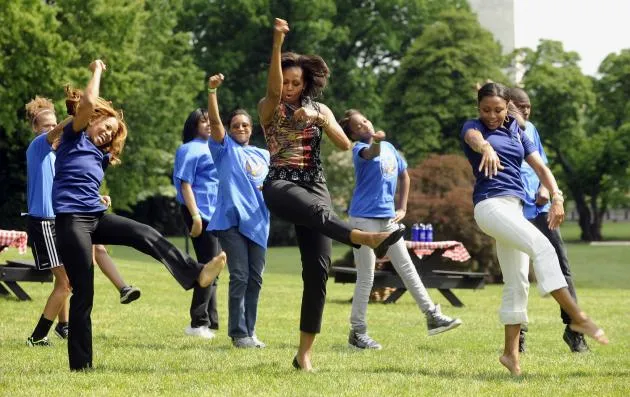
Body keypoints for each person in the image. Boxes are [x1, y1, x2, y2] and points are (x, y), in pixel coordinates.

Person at [49, 59, 226, 370]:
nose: (106, 133)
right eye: (105, 126)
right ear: (92, 120)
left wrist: (99, 197)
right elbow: (89, 102)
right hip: (71, 221)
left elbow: (81, 181)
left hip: (94, 216)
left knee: (144, 233)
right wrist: (99, 70)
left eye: (112, 132)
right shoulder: (74, 137)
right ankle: (81, 364)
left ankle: (195, 273)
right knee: (84, 290)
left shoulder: (99, 156)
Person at [257, 18, 406, 371]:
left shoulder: (320, 109)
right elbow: (275, 90)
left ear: (306, 82)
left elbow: (344, 143)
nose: (290, 87)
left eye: (297, 82)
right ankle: (364, 238)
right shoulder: (270, 105)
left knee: (318, 271)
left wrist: (320, 119)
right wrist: (277, 44)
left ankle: (303, 355)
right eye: (286, 80)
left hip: (315, 184)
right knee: (320, 216)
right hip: (280, 183)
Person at [460, 82, 607, 375]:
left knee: (518, 282)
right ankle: (577, 317)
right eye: (485, 109)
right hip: (490, 206)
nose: (491, 115)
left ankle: (510, 355)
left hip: (514, 209)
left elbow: (541, 168)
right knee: (543, 247)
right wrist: (485, 146)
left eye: (498, 109)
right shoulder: (473, 127)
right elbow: (473, 137)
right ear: (478, 109)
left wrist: (557, 197)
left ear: (507, 107)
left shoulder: (518, 131)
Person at [339, 109, 462, 350]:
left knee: (407, 269)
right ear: (353, 134)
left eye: (365, 120)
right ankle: (358, 333)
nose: (364, 125)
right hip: (363, 220)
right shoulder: (358, 149)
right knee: (367, 277)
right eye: (358, 125)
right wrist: (378, 140)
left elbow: (405, 176)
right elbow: (371, 152)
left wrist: (403, 208)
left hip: (388, 219)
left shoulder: (391, 148)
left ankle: (432, 316)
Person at [24, 96, 140, 347]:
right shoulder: (38, 147)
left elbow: (69, 188)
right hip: (44, 222)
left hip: (63, 219)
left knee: (64, 280)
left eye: (53, 124)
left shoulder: (62, 154)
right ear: (36, 129)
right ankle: (37, 336)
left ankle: (63, 326)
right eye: (46, 126)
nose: (52, 130)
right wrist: (85, 113)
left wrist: (97, 198)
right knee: (66, 282)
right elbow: (61, 130)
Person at [510, 87, 589, 353]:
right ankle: (518, 335)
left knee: (562, 268)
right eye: (521, 106)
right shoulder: (498, 131)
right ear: (509, 105)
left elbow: (542, 165)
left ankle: (574, 331)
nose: (526, 111)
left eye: (528, 106)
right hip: (514, 213)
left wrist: (546, 190)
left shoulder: (530, 129)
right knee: (518, 276)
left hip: (541, 212)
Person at [207, 73, 270, 348]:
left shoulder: (264, 155)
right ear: (230, 129)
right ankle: (238, 333)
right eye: (236, 125)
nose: (241, 128)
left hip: (259, 222)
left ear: (251, 128)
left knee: (255, 279)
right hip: (231, 221)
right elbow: (215, 123)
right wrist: (212, 92)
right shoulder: (224, 149)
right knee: (240, 276)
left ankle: (250, 330)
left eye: (245, 125)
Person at [173, 108, 221, 340]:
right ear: (194, 125)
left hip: (217, 215)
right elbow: (185, 185)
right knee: (208, 267)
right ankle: (197, 322)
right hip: (199, 213)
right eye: (203, 121)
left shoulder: (214, 147)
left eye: (211, 120)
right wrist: (195, 216)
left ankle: (210, 322)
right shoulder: (189, 149)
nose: (208, 124)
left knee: (215, 268)